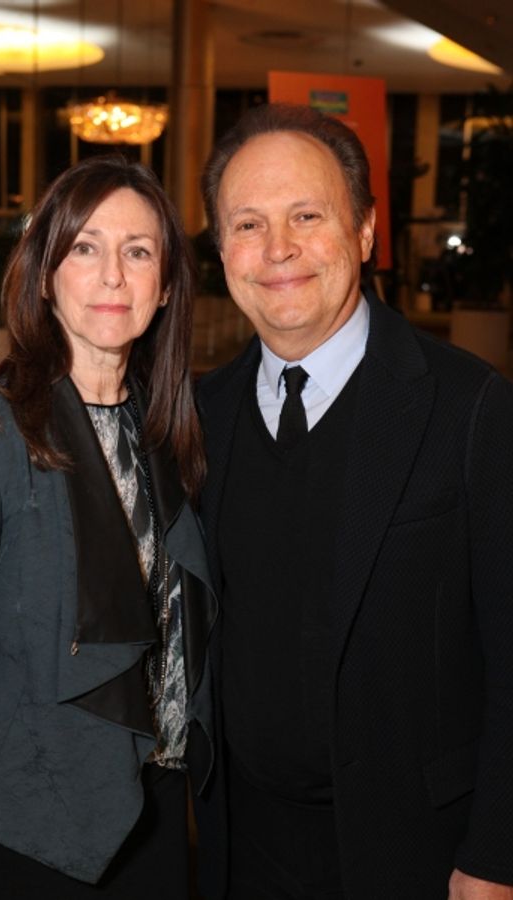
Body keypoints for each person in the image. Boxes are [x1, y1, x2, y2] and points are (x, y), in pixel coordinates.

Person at [194, 102, 513, 900]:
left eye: (308, 215)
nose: (279, 251)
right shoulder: (201, 415)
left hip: (418, 854)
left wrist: (496, 857)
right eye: (247, 225)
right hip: (240, 851)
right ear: (221, 250)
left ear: (367, 231)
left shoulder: (470, 407)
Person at [0, 153, 217, 899]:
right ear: (45, 274)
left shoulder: (174, 437)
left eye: (138, 252)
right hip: (20, 834)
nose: (113, 275)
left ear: (167, 283)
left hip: (155, 825)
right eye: (85, 247)